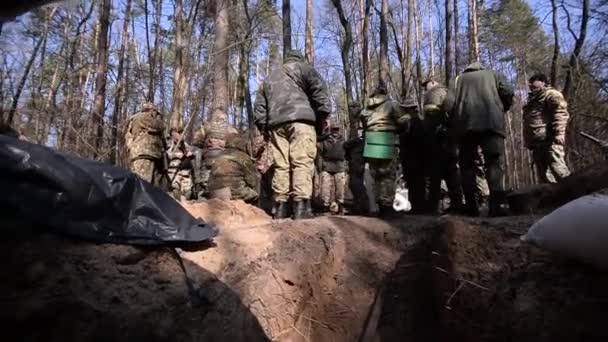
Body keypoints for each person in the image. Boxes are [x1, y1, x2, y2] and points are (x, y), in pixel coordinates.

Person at [254, 49, 332, 220]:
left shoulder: (269, 78)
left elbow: (259, 107)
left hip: (276, 124)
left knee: (281, 164)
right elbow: (319, 91)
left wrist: (263, 127)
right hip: (301, 121)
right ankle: (301, 207)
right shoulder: (304, 69)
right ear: (300, 59)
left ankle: (280, 207)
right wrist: (324, 114)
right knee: (302, 161)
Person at [451, 62, 514, 217]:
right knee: (494, 163)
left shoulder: (458, 79)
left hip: (465, 127)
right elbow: (508, 91)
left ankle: (471, 206)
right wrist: (502, 108)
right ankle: (497, 206)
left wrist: (454, 122)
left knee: (467, 166)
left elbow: (448, 104)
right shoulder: (493, 74)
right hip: (492, 124)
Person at [361, 82, 412, 216]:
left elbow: (364, 123)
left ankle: (378, 205)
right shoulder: (392, 104)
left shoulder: (367, 108)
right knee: (388, 175)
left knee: (376, 175)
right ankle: (387, 207)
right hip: (387, 141)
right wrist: (406, 121)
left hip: (370, 143)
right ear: (385, 92)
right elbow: (401, 121)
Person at [523, 73, 571, 183]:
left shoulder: (551, 94)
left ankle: (575, 196)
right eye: (530, 83)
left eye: (534, 81)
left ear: (543, 82)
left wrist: (559, 133)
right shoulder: (533, 100)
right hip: (537, 143)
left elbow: (560, 113)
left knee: (560, 171)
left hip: (550, 140)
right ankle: (555, 200)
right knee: (545, 178)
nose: (531, 84)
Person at [207, 133, 259, 203]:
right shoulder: (243, 157)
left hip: (215, 193)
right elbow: (252, 181)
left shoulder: (219, 155)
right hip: (235, 194)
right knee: (256, 193)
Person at [125, 102, 166, 185]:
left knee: (144, 182)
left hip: (142, 153)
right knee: (144, 183)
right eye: (155, 112)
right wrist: (159, 118)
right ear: (150, 110)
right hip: (145, 152)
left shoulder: (134, 119)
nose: (156, 114)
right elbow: (159, 126)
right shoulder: (144, 116)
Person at [344, 103, 370, 215]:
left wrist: (350, 143)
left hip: (359, 158)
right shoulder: (353, 123)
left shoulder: (362, 119)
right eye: (350, 108)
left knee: (357, 183)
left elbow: (362, 138)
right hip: (353, 158)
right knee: (353, 184)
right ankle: (358, 207)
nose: (352, 110)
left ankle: (363, 208)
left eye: (354, 108)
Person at [318, 124, 346, 215]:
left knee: (340, 187)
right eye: (333, 129)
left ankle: (340, 206)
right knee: (325, 187)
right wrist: (320, 166)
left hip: (339, 166)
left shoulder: (343, 140)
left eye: (337, 129)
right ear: (331, 130)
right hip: (327, 165)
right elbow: (320, 153)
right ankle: (325, 206)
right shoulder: (325, 140)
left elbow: (347, 154)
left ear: (339, 130)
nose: (335, 132)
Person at [166, 127, 194, 201]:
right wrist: (175, 155)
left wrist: (189, 155)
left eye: (180, 133)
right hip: (173, 170)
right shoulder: (169, 144)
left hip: (185, 171)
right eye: (175, 133)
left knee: (188, 191)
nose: (178, 135)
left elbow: (192, 154)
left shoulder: (185, 145)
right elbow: (166, 155)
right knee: (175, 188)